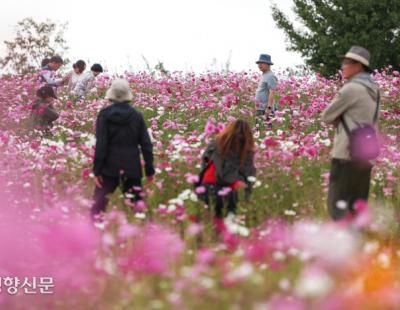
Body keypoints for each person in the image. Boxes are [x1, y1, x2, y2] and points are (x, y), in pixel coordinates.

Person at [321, 46, 380, 221]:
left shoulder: (351, 89)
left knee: (337, 207)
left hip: (346, 154)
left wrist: (339, 119)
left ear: (358, 66)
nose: (342, 67)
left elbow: (326, 116)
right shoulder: (375, 90)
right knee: (357, 209)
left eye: (346, 63)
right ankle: (357, 245)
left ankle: (344, 245)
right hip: (365, 156)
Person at [91, 79, 155, 220]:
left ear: (111, 95)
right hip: (131, 167)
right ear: (128, 95)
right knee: (138, 208)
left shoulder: (104, 115)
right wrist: (150, 170)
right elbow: (146, 144)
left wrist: (97, 170)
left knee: (97, 208)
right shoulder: (136, 115)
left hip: (108, 167)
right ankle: (146, 236)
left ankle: (94, 237)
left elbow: (101, 144)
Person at [197, 119, 256, 227]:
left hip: (206, 187)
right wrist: (247, 198)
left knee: (208, 223)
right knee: (226, 228)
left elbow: (204, 163)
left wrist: (198, 187)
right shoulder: (247, 150)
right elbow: (248, 176)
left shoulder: (216, 143)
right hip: (230, 192)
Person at [255, 54, 278, 130]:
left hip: (265, 109)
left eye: (262, 63)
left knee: (266, 131)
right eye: (259, 63)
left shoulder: (270, 76)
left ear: (268, 64)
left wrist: (268, 108)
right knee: (258, 130)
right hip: (260, 108)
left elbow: (272, 92)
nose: (259, 65)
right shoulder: (264, 75)